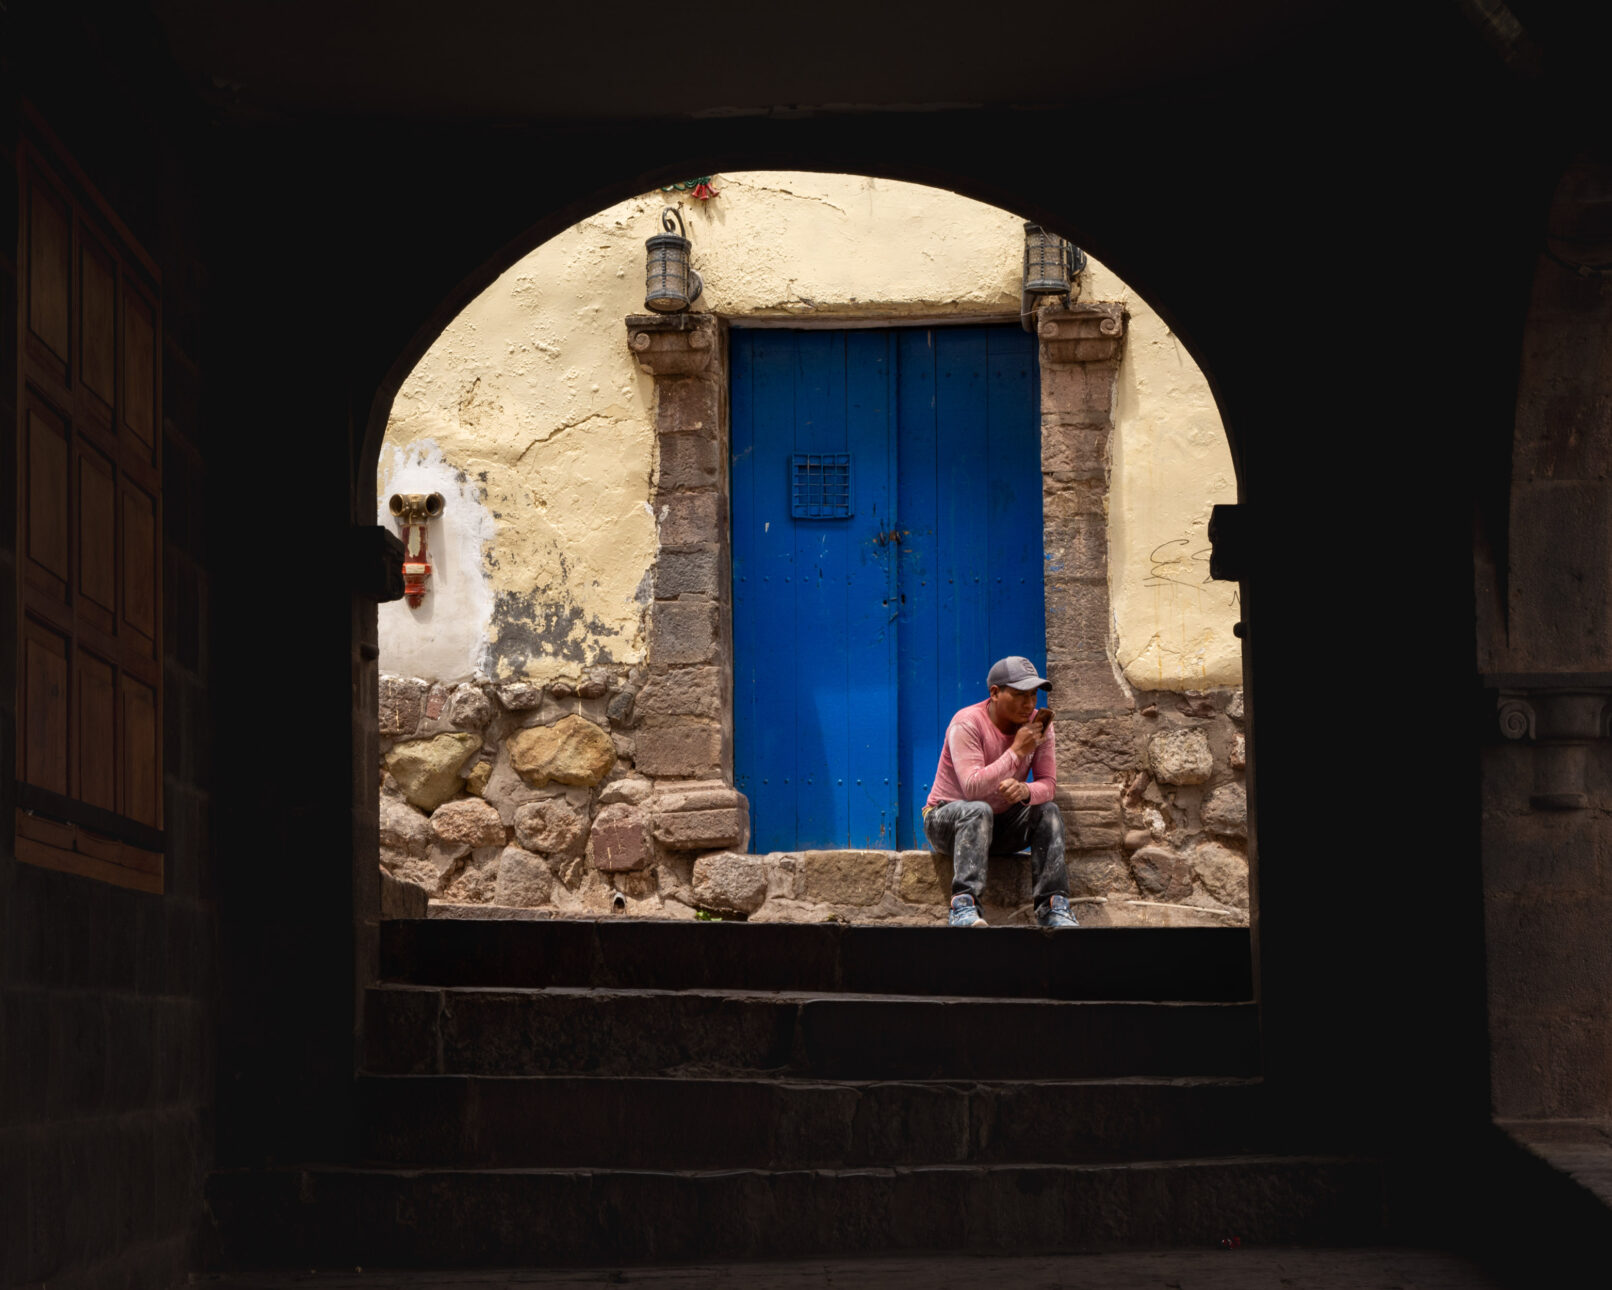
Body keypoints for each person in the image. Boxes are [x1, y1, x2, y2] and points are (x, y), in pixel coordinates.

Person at [922, 656, 1076, 928]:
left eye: (1033, 695)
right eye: (1019, 695)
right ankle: (963, 906)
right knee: (977, 810)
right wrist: (1016, 751)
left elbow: (1048, 785)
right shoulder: (967, 723)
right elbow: (972, 788)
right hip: (946, 820)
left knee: (1048, 812)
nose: (1029, 704)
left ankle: (1053, 907)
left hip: (999, 826)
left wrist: (1024, 790)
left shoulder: (1037, 727)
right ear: (995, 693)